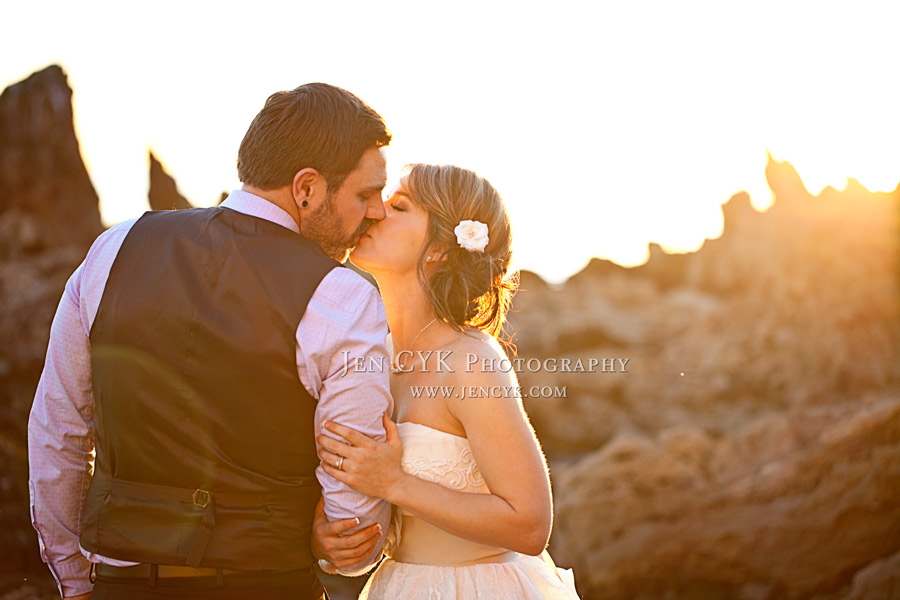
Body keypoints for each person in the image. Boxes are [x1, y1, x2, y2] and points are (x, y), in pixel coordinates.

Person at [28, 83, 394, 600]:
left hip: (120, 586)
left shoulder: (115, 248)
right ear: (307, 188)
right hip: (266, 586)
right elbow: (352, 495)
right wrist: (334, 544)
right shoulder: (343, 298)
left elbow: (57, 431)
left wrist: (74, 580)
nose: (376, 211)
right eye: (364, 194)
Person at [315, 164, 579, 598]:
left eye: (398, 205)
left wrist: (395, 483)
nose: (375, 211)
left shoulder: (469, 360)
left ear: (439, 246)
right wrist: (327, 541)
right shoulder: (372, 355)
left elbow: (531, 524)